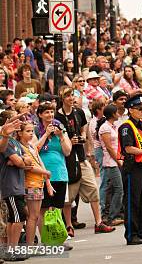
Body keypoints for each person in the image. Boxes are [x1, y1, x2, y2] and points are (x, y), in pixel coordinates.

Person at [56, 86, 114, 235]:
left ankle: (98, 222)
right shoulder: (58, 116)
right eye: (68, 96)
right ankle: (68, 226)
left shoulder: (79, 112)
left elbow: (84, 130)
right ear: (62, 98)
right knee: (69, 196)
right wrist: (69, 140)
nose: (71, 98)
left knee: (93, 189)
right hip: (67, 160)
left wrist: (85, 144)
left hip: (81, 157)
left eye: (72, 95)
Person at [118, 93, 142, 245]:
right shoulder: (126, 127)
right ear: (131, 110)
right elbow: (128, 148)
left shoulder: (141, 125)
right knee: (132, 201)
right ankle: (131, 234)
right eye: (139, 108)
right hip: (132, 168)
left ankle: (141, 231)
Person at [36, 103, 72, 243]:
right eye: (46, 112)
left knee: (57, 209)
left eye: (52, 112)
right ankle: (46, 240)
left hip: (60, 174)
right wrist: (46, 134)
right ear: (40, 115)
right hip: (43, 175)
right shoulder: (35, 130)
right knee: (43, 210)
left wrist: (61, 135)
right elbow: (35, 149)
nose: (50, 115)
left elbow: (67, 151)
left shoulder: (60, 129)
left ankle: (57, 240)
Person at [0, 118, 32, 261]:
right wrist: (20, 160)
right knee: (18, 218)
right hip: (10, 185)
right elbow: (19, 162)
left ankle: (11, 249)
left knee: (15, 218)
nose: (18, 122)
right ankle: (11, 250)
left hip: (18, 186)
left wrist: (20, 160)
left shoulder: (16, 143)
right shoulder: (5, 142)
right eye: (14, 119)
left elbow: (27, 161)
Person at [17, 122, 52, 246]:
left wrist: (46, 180)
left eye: (32, 131)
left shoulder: (31, 146)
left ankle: (33, 243)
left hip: (38, 183)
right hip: (31, 184)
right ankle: (30, 244)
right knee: (33, 216)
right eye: (28, 131)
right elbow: (30, 166)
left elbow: (38, 158)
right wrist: (45, 172)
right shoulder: (21, 147)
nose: (31, 133)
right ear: (20, 133)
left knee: (34, 216)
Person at [98, 104, 125, 226]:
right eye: (117, 112)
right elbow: (108, 147)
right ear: (113, 114)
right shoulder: (105, 128)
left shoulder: (112, 126)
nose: (119, 114)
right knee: (118, 189)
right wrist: (118, 160)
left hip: (116, 160)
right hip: (111, 162)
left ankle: (112, 214)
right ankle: (112, 215)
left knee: (115, 188)